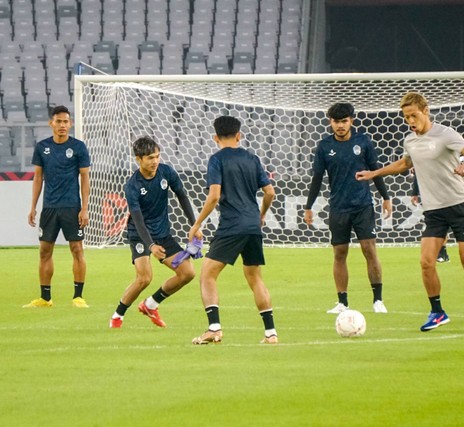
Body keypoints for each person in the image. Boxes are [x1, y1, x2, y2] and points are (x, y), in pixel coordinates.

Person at [356, 91, 464, 333]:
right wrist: (374, 174)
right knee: (426, 262)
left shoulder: (445, 133)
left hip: (459, 205)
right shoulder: (410, 141)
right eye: (406, 117)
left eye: (413, 115)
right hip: (434, 210)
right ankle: (437, 312)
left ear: (425, 111)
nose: (410, 121)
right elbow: (405, 164)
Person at [189, 115, 278, 345]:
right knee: (255, 277)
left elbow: (214, 195)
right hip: (252, 226)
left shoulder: (216, 160)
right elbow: (270, 192)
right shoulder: (252, 158)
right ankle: (271, 334)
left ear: (215, 137)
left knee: (207, 274)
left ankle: (214, 329)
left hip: (231, 225)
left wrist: (197, 224)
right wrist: (261, 215)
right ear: (239, 135)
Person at [303, 102, 392, 314]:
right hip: (338, 207)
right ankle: (342, 302)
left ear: (352, 120)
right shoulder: (324, 146)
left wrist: (386, 197)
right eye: (336, 122)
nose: (340, 126)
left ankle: (378, 300)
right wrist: (308, 206)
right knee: (339, 253)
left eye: (344, 121)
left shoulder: (363, 142)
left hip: (362, 205)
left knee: (369, 250)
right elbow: (317, 178)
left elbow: (375, 170)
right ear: (330, 122)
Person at [109, 136, 201, 328]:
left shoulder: (166, 172)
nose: (155, 161)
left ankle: (151, 304)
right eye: (150, 158)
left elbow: (182, 196)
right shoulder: (132, 185)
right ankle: (118, 316)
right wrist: (150, 245)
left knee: (187, 273)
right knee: (144, 278)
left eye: (157, 156)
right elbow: (138, 219)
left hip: (162, 234)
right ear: (138, 159)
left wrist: (195, 225)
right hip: (140, 235)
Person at [25, 105, 91, 308]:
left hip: (72, 207)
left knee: (77, 249)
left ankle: (78, 297)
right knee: (45, 251)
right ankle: (45, 298)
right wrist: (33, 206)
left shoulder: (78, 147)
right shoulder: (42, 147)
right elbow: (38, 178)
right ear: (51, 123)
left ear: (70, 124)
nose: (63, 125)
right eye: (59, 121)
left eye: (66, 121)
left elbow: (85, 177)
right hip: (50, 208)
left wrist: (85, 208)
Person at [410, 177, 449, 263]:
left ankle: (441, 253)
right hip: (432, 194)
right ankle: (442, 253)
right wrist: (415, 192)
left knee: (440, 223)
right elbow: (418, 174)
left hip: (442, 193)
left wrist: (415, 192)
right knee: (439, 223)